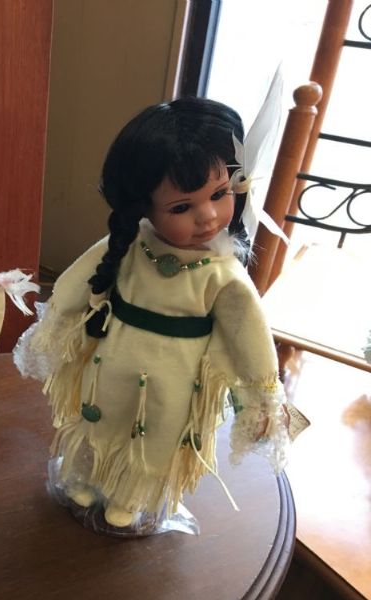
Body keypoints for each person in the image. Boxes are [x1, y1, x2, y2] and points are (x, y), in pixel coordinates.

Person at [14, 97, 291, 534]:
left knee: (154, 435)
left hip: (175, 375)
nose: (208, 216)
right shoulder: (131, 243)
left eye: (219, 195)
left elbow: (248, 334)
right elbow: (75, 283)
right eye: (181, 207)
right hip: (113, 357)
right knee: (99, 416)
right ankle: (85, 475)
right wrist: (56, 324)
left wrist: (262, 391)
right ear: (144, 207)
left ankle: (131, 495)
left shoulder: (224, 275)